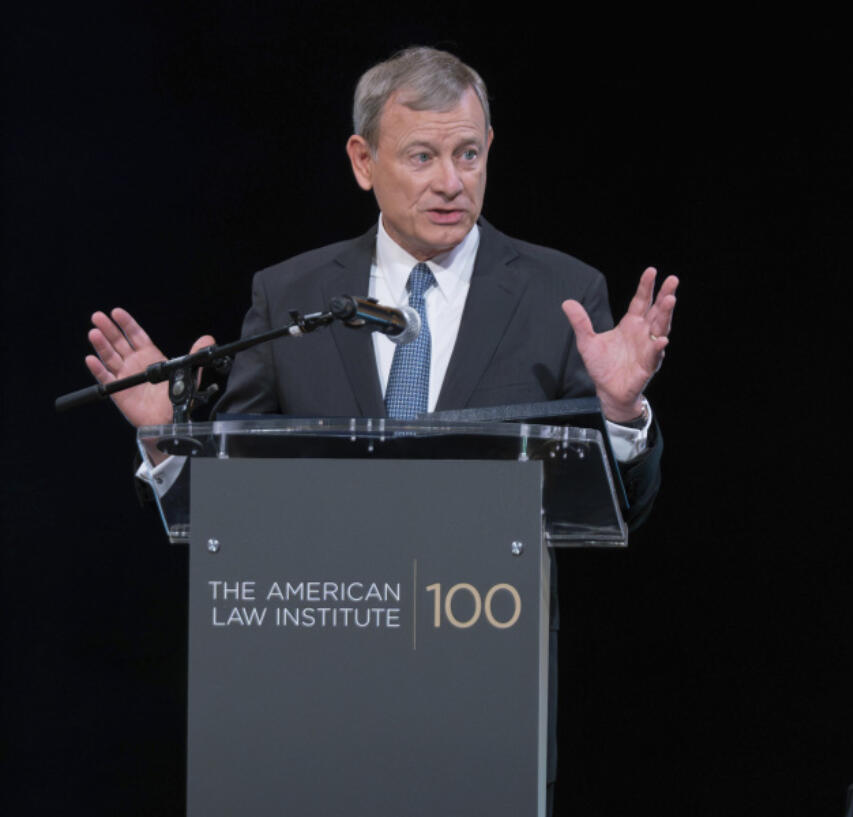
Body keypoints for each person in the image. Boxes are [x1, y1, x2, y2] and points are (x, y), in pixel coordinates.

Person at [82, 45, 677, 807]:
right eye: (422, 155)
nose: (451, 181)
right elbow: (232, 509)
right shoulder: (290, 296)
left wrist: (623, 414)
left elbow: (625, 505)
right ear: (363, 160)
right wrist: (170, 434)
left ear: (490, 148)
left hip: (485, 704)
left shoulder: (560, 294)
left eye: (468, 153)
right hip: (310, 698)